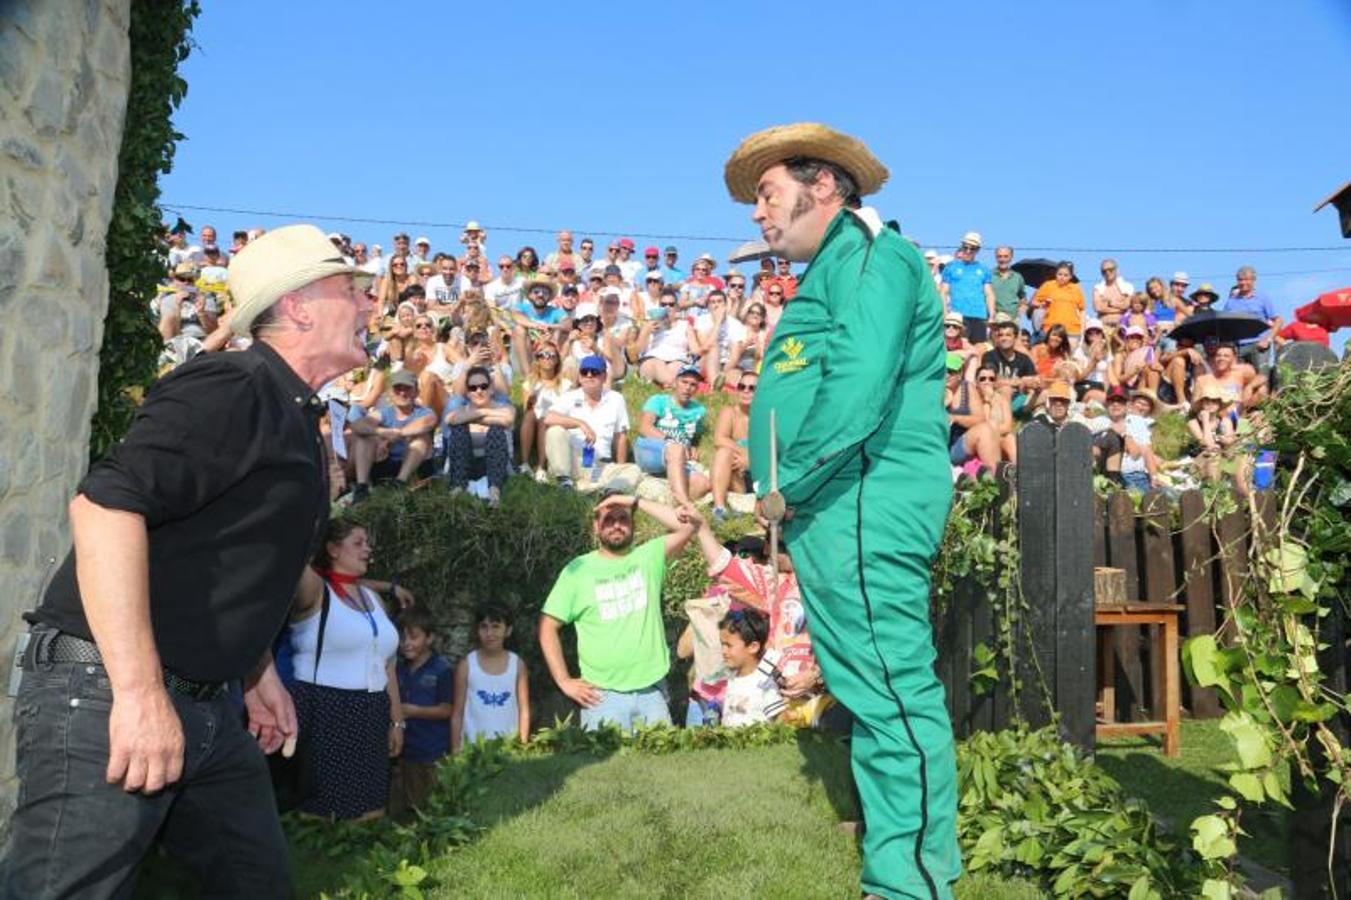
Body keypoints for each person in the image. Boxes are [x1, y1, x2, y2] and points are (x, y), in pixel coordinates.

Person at [8, 225, 378, 895]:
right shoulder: (232, 386)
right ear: (297, 305)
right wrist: (141, 696)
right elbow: (104, 509)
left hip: (210, 711)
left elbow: (229, 555)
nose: (370, 306)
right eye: (352, 290)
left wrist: (255, 670)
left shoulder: (295, 411)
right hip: (107, 696)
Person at [727, 122, 960, 899]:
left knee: (891, 694)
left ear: (821, 184)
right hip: (833, 509)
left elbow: (858, 387)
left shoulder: (868, 256)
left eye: (766, 193)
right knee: (872, 691)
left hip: (859, 498)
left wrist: (787, 485)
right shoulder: (832, 267)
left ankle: (912, 884)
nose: (757, 214)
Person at [538, 494, 698, 730]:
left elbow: (689, 525)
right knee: (607, 767)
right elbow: (547, 627)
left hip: (652, 692)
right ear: (595, 526)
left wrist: (635, 501)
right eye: (608, 519)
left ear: (633, 524)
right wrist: (564, 681)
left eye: (623, 519)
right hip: (602, 696)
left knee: (660, 767)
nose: (616, 525)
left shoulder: (648, 557)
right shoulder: (577, 571)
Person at [288, 521, 402, 821]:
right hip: (325, 708)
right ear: (332, 549)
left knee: (372, 807)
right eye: (358, 542)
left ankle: (366, 864)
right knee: (324, 812)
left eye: (367, 542)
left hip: (373, 710)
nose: (368, 548)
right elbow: (292, 555)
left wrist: (397, 721)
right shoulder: (314, 592)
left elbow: (386, 662)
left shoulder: (372, 599)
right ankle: (318, 865)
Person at [390, 607, 454, 821]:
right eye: (402, 637)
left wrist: (413, 711)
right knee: (410, 806)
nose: (406, 642)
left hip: (433, 752)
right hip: (406, 752)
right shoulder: (396, 670)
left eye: (414, 636)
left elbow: (448, 709)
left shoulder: (441, 670)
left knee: (435, 805)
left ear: (430, 638)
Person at [541, 354, 631, 487]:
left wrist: (620, 467)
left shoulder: (616, 399)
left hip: (599, 464)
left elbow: (621, 437)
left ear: (604, 377)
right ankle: (564, 480)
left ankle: (599, 487)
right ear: (579, 377)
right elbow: (549, 418)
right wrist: (580, 423)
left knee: (633, 471)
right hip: (571, 461)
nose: (589, 375)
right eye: (584, 372)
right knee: (555, 430)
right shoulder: (570, 397)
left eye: (594, 372)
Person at [348, 368, 437, 499]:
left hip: (413, 467)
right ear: (391, 392)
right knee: (363, 438)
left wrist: (392, 437)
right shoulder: (384, 413)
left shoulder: (425, 412)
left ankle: (400, 483)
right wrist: (379, 432)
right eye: (398, 388)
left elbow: (427, 423)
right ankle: (362, 487)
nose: (402, 393)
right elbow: (357, 425)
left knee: (421, 439)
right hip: (386, 463)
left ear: (416, 392)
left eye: (407, 388)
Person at [451, 604, 530, 751]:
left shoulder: (517, 665)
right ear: (477, 630)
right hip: (472, 750)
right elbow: (457, 712)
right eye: (484, 627)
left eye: (495, 627)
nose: (489, 633)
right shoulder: (467, 665)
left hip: (508, 748)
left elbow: (524, 709)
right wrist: (456, 751)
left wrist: (522, 746)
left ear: (508, 630)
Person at [637, 364, 710, 506]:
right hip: (653, 450)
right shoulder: (658, 400)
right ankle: (686, 502)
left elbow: (694, 436)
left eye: (693, 385)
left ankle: (675, 506)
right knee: (675, 449)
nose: (688, 388)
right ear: (676, 382)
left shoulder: (699, 410)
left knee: (703, 484)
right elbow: (644, 428)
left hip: (680, 457)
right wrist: (672, 442)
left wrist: (693, 446)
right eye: (684, 382)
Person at [443, 365, 516, 505]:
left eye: (483, 386)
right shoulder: (460, 409)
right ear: (468, 393)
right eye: (473, 388)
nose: (479, 391)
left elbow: (508, 419)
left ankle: (495, 491)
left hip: (496, 464)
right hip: (465, 463)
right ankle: (458, 487)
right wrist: (482, 412)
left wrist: (471, 416)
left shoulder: (506, 407)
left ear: (491, 389)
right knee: (459, 429)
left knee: (496, 430)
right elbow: (449, 419)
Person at [718, 608, 784, 727]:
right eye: (722, 644)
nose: (723, 651)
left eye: (728, 646)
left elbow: (780, 718)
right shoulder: (732, 677)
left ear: (753, 647)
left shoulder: (764, 683)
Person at [711, 368, 756, 522]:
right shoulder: (729, 412)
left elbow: (776, 449)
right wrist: (745, 453)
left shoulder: (766, 415)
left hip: (761, 475)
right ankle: (719, 508)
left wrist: (753, 460)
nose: (746, 391)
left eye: (752, 388)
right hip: (739, 476)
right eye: (742, 387)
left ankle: (740, 508)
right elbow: (719, 439)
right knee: (723, 452)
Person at [1223, 265, 1283, 372]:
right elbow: (1224, 324)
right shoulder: (1231, 301)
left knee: (1261, 379)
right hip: (1238, 347)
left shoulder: (1263, 297)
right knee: (1240, 382)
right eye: (1240, 280)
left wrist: (1268, 339)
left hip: (1258, 345)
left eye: (1247, 279)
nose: (1243, 283)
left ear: (1254, 280)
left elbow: (1278, 321)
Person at [939, 231, 995, 342]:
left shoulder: (984, 269)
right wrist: (945, 314)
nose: (968, 251)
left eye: (972, 248)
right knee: (958, 349)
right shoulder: (951, 267)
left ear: (978, 250)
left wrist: (992, 315)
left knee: (979, 349)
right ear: (962, 246)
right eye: (965, 247)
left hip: (979, 315)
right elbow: (943, 292)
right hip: (957, 315)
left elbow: (989, 294)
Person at [1189, 384, 1238, 482]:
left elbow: (1231, 441)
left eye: (1214, 401)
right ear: (1202, 403)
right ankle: (1214, 488)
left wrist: (1224, 441)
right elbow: (1207, 444)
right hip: (1201, 461)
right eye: (1207, 400)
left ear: (1219, 404)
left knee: (1234, 450)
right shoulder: (1194, 423)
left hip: (1223, 458)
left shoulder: (1224, 421)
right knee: (1212, 453)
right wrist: (1205, 421)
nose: (1210, 403)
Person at [1031, 261, 1086, 340]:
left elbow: (1082, 310)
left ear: (1071, 276)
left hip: (1072, 330)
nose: (1062, 277)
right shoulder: (1048, 285)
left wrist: (1082, 330)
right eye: (1059, 274)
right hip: (1050, 329)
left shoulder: (1076, 288)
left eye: (1066, 275)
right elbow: (1033, 302)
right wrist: (1042, 304)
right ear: (1056, 274)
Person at [1091, 258, 1135, 330]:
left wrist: (1110, 303)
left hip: (1123, 328)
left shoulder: (1128, 287)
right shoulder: (1098, 288)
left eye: (1110, 269)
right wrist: (1120, 307)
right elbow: (1097, 308)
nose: (1107, 273)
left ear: (1116, 270)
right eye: (1104, 271)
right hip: (1103, 327)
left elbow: (1128, 305)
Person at [990, 246, 1027, 323]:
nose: (1002, 259)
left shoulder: (1017, 277)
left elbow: (1022, 298)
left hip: (1013, 320)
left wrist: (1020, 313)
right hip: (994, 319)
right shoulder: (989, 275)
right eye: (999, 256)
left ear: (1011, 257)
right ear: (996, 258)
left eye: (1006, 256)